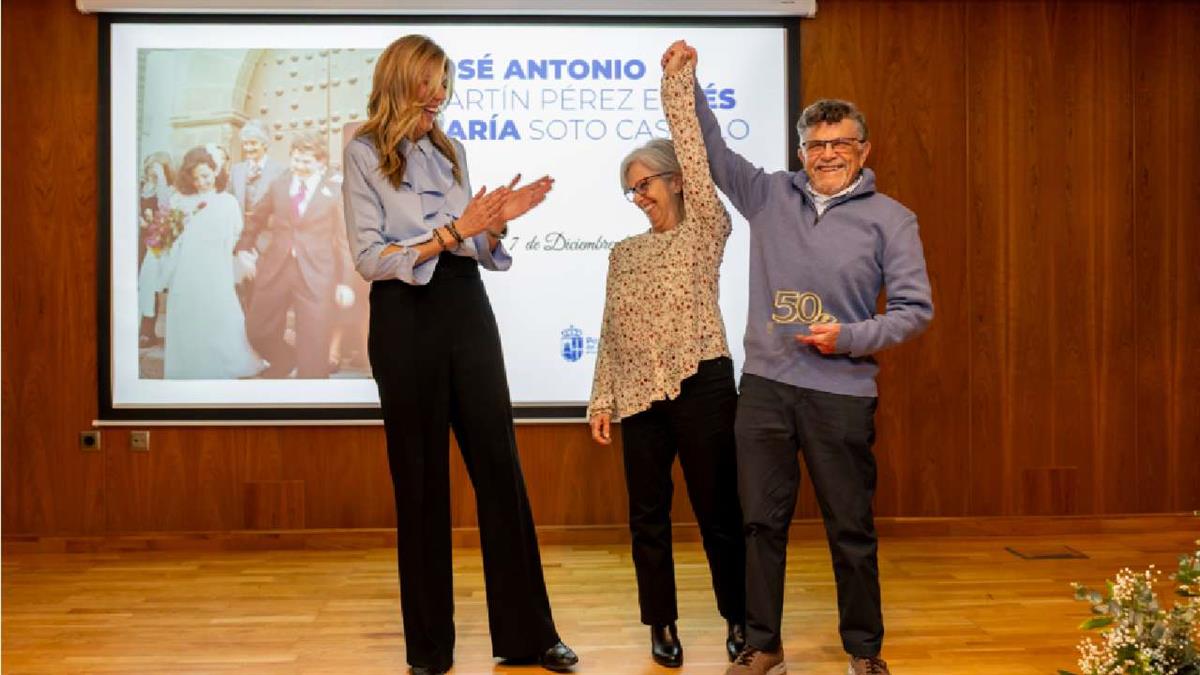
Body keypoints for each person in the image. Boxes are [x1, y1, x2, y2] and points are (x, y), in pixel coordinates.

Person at [671, 41, 935, 675]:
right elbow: (709, 151)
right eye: (816, 145)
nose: (828, 155)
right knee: (761, 523)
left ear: (864, 151)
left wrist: (844, 337)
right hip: (764, 388)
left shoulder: (893, 221)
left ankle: (864, 653)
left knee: (851, 530)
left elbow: (913, 309)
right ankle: (764, 645)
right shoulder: (766, 195)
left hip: (842, 392)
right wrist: (688, 82)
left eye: (841, 144)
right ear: (800, 152)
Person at [341, 34, 576, 675]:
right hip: (403, 318)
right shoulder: (363, 151)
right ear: (400, 80)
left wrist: (498, 222)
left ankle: (530, 635)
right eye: (429, 80)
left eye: (445, 81)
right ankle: (429, 652)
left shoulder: (453, 150)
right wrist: (454, 231)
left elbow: (471, 246)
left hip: (464, 306)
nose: (439, 93)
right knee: (419, 484)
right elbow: (370, 258)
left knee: (500, 467)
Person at [587, 48, 745, 669]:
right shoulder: (624, 254)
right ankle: (663, 626)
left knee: (719, 511)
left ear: (676, 180)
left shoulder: (706, 226)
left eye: (645, 183)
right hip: (638, 397)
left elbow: (694, 146)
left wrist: (677, 79)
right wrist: (602, 398)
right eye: (631, 191)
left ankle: (740, 619)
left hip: (703, 383)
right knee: (646, 519)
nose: (638, 197)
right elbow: (610, 329)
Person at [235, 132, 353, 378]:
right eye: (296, 160)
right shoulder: (280, 183)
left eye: (306, 161)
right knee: (257, 329)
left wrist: (345, 282)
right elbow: (255, 219)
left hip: (318, 273)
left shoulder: (336, 188)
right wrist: (244, 250)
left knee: (314, 344)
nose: (299, 166)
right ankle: (284, 359)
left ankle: (311, 397)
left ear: (320, 162)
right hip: (276, 268)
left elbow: (344, 238)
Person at [159, 146, 262, 379]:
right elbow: (168, 236)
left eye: (205, 176)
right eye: (195, 178)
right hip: (187, 267)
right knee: (189, 313)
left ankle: (221, 363)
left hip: (215, 266)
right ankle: (189, 365)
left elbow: (236, 234)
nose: (201, 183)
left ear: (215, 171)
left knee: (217, 312)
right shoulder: (179, 201)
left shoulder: (227, 202)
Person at [137, 151, 175, 348]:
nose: (151, 171)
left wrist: (160, 183)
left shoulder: (168, 189)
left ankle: (147, 331)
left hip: (155, 243)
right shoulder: (141, 188)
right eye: (149, 167)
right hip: (137, 240)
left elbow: (167, 213)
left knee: (150, 285)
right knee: (138, 285)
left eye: (156, 168)